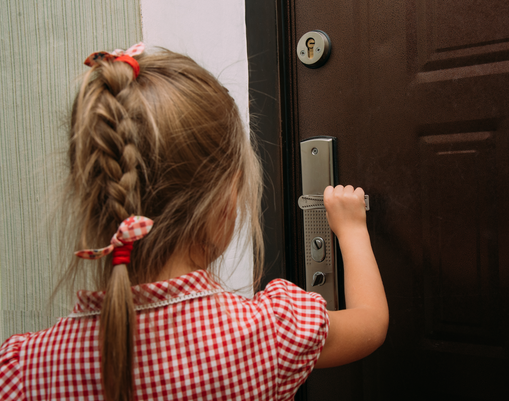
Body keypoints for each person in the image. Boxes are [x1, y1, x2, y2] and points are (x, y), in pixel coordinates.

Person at [0, 43, 388, 401]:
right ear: (224, 201)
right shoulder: (271, 333)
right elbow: (370, 323)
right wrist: (352, 230)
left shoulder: (22, 369)